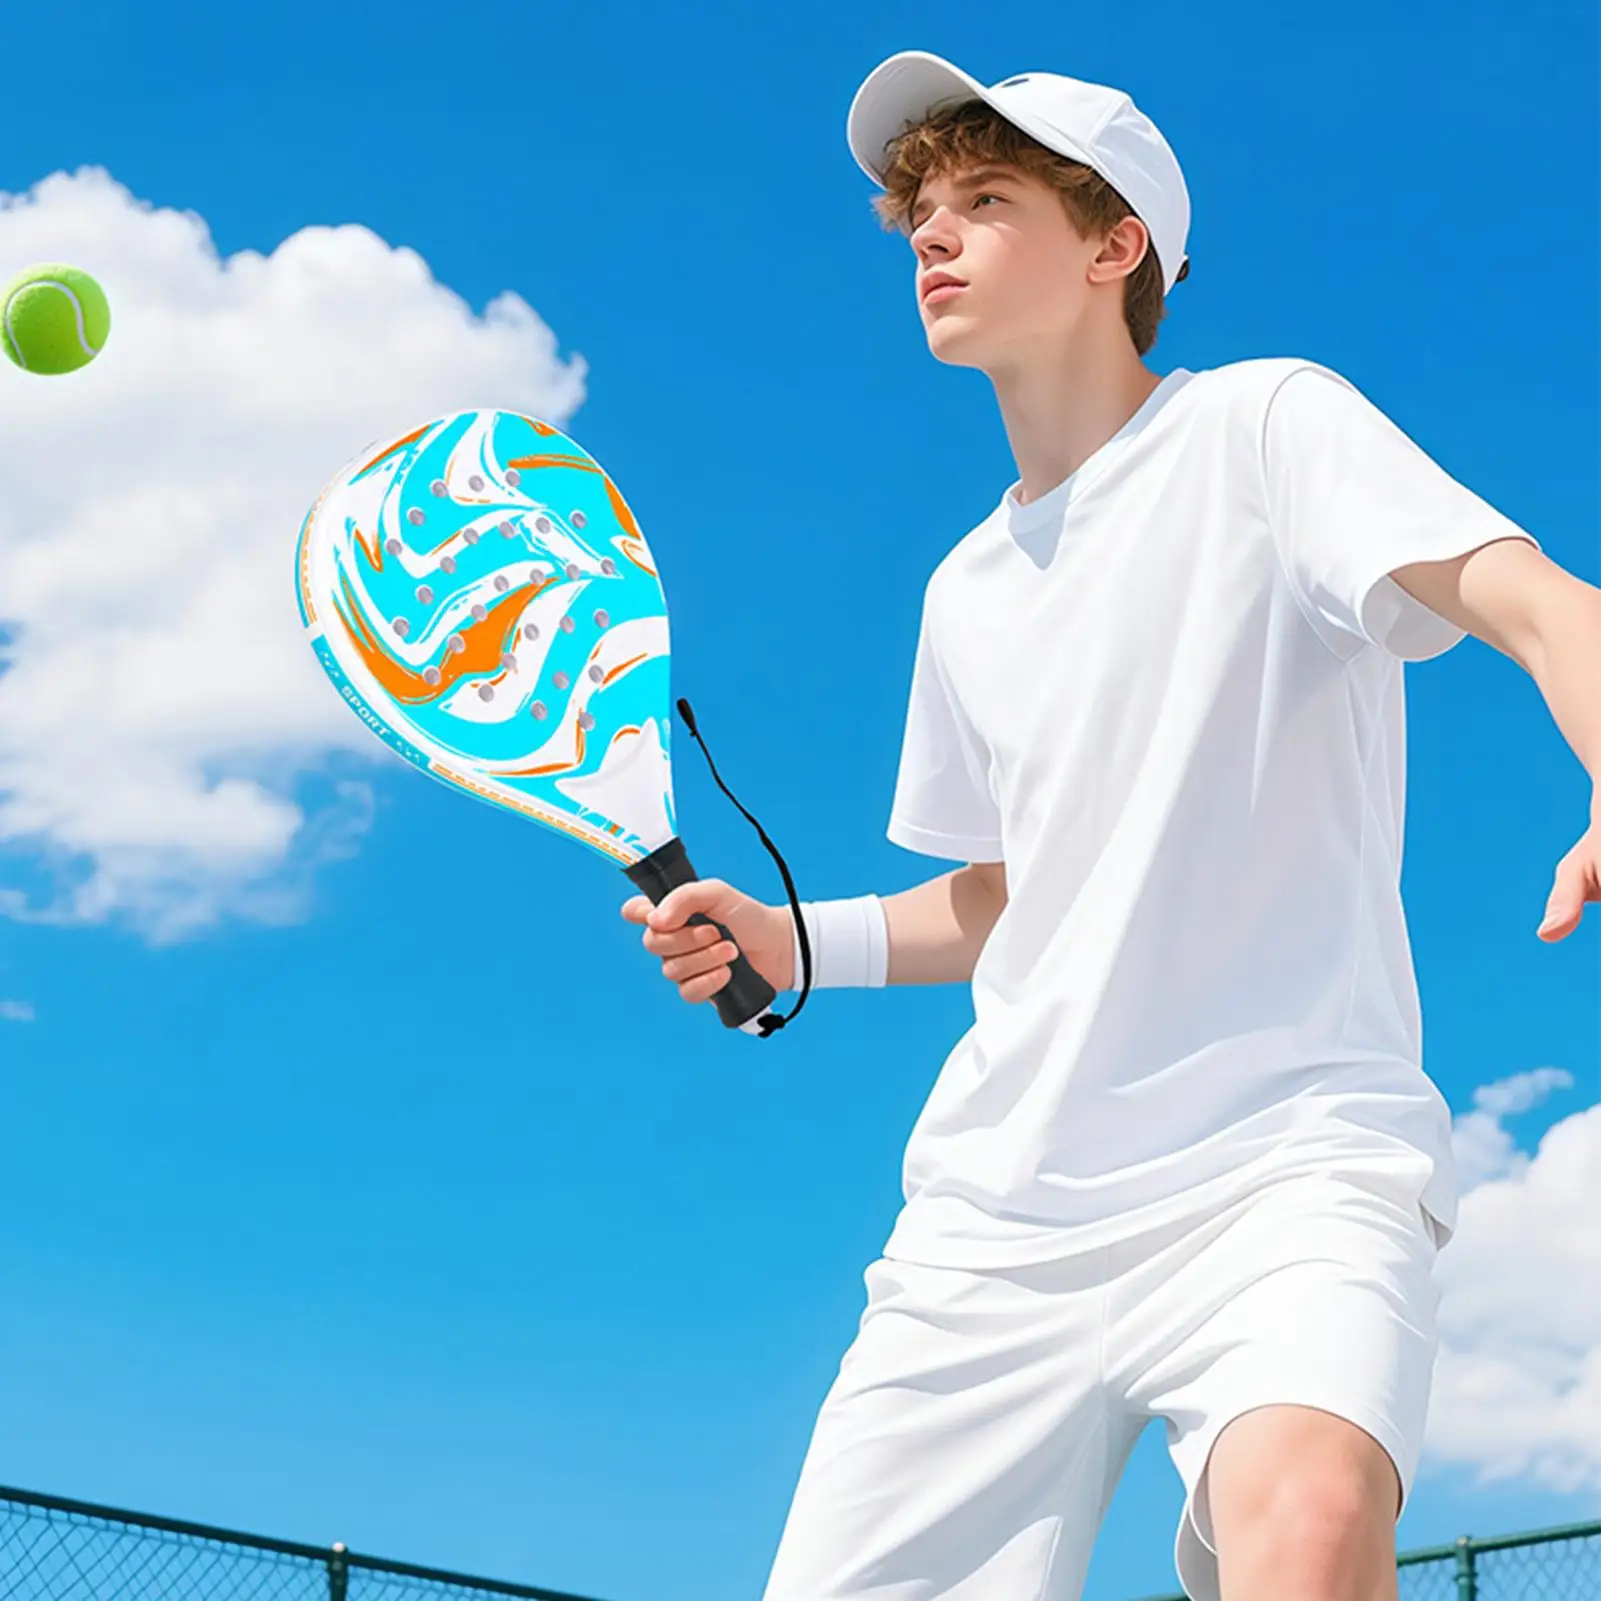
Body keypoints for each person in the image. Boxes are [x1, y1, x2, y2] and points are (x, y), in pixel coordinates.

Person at [620, 50, 1601, 1601]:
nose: (930, 238)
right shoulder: (964, 591)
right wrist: (794, 939)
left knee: (1313, 1522)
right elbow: (1018, 893)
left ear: (1114, 244)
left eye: (984, 201)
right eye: (919, 214)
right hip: (997, 1223)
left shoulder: (1267, 427)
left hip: (1290, 1163)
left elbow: (1546, 609)